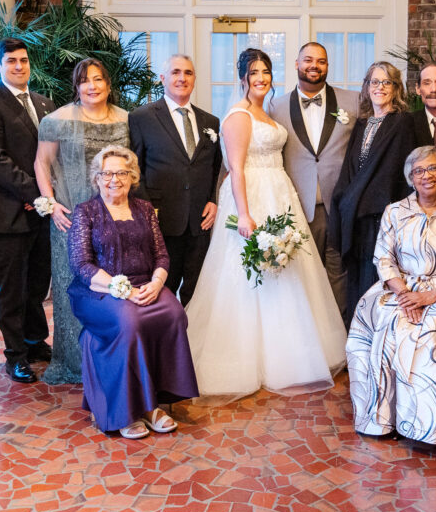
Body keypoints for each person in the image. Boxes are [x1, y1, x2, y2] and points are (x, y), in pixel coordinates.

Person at [185, 48, 347, 400]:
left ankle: (289, 353)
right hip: (254, 196)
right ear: (242, 77)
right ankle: (246, 359)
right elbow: (236, 168)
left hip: (279, 192)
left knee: (287, 273)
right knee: (248, 276)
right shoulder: (239, 116)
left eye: (266, 72)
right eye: (254, 72)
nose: (261, 78)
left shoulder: (266, 111)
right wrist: (244, 214)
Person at [347, 146, 436, 446]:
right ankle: (383, 419)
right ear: (410, 178)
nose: (427, 176)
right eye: (419, 171)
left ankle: (428, 427)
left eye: (433, 169)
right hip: (400, 289)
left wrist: (429, 297)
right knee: (386, 326)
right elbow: (383, 259)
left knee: (433, 335)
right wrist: (405, 294)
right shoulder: (394, 212)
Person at [67, 146, 198, 438]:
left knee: (174, 313)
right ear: (97, 179)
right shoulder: (85, 212)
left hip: (144, 283)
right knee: (129, 321)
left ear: (132, 177)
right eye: (108, 173)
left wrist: (157, 283)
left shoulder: (144, 209)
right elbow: (80, 265)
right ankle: (126, 411)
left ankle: (154, 404)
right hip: (98, 290)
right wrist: (119, 289)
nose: (116, 179)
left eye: (123, 173)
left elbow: (162, 255)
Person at [34, 58, 129, 384]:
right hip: (70, 220)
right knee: (73, 290)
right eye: (85, 80)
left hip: (115, 219)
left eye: (99, 79)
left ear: (108, 84)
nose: (93, 86)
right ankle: (75, 363)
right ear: (76, 86)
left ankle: (112, 358)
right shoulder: (56, 120)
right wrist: (51, 206)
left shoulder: (127, 120)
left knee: (113, 288)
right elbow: (41, 164)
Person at [0, 38, 56, 383]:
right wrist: (38, 193)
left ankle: (35, 342)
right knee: (13, 288)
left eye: (23, 60)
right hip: (9, 211)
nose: (19, 66)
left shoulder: (45, 103)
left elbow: (52, 157)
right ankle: (15, 355)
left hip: (42, 212)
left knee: (38, 284)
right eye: (11, 61)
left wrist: (46, 199)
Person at [269, 42, 359, 308]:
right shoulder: (276, 106)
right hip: (297, 208)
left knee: (339, 276)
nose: (314, 66)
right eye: (308, 60)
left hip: (341, 207)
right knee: (300, 276)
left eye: (321, 61)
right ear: (297, 64)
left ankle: (339, 339)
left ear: (327, 67)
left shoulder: (353, 101)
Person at [128, 55, 221, 305]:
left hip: (200, 221)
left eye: (188, 73)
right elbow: (135, 170)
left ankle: (192, 340)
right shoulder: (141, 117)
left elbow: (215, 167)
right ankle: (165, 339)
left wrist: (213, 200)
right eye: (176, 72)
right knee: (163, 289)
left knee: (198, 289)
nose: (182, 78)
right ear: (163, 78)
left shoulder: (210, 122)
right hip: (162, 219)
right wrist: (148, 211)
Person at [329, 62, 415, 327]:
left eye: (386, 82)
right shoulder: (362, 124)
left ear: (396, 88)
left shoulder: (402, 123)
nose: (379, 88)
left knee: (377, 282)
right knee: (356, 282)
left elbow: (398, 173)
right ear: (366, 87)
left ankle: (378, 344)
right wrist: (344, 202)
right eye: (374, 82)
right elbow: (351, 169)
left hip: (381, 216)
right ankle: (358, 341)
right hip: (356, 216)